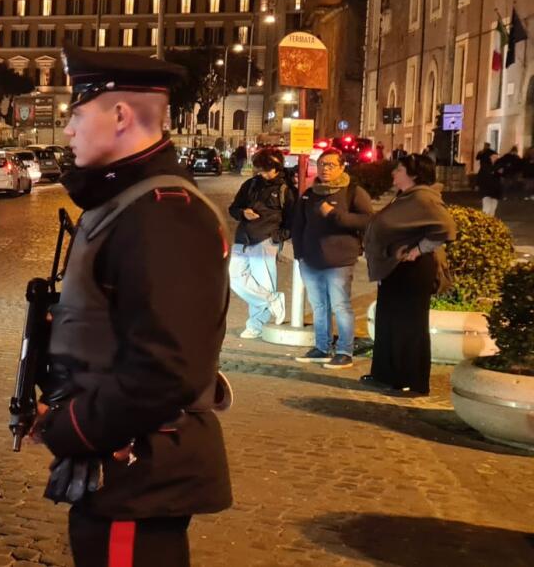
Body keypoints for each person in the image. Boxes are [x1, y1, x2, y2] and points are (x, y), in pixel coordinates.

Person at [29, 46, 231, 566]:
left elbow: (167, 370)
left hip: (140, 469)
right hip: (125, 467)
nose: (68, 130)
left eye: (77, 115)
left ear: (119, 115)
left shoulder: (161, 213)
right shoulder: (129, 202)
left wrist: (72, 426)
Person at [362, 155, 455, 397]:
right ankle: (386, 375)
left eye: (399, 170)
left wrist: (418, 250)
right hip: (394, 268)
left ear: (414, 174)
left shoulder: (424, 197)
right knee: (389, 321)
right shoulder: (405, 196)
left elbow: (445, 227)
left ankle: (410, 380)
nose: (394, 173)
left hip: (412, 271)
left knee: (408, 325)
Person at [292, 149, 374, 370]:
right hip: (310, 260)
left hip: (340, 260)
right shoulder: (310, 194)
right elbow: (298, 226)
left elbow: (367, 221)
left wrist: (335, 214)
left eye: (330, 165)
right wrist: (299, 255)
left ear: (342, 167)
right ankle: (322, 347)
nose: (325, 169)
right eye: (321, 165)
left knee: (340, 306)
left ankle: (345, 351)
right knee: (319, 306)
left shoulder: (353, 192)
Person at [228, 148, 293, 339]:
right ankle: (271, 299)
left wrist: (277, 236)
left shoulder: (286, 189)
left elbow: (293, 219)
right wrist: (243, 213)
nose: (262, 173)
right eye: (260, 169)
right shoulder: (250, 184)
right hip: (243, 238)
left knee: (263, 281)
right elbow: (233, 208)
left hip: (266, 239)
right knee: (233, 276)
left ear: (276, 167)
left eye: (266, 169)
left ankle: (256, 325)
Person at [478, 151, 503, 217]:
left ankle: (490, 221)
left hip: (495, 190)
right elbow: (488, 172)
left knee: (493, 209)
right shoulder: (485, 165)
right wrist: (495, 170)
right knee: (487, 208)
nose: (495, 158)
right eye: (494, 156)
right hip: (486, 189)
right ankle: (484, 221)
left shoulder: (498, 165)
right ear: (489, 157)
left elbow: (500, 174)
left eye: (496, 157)